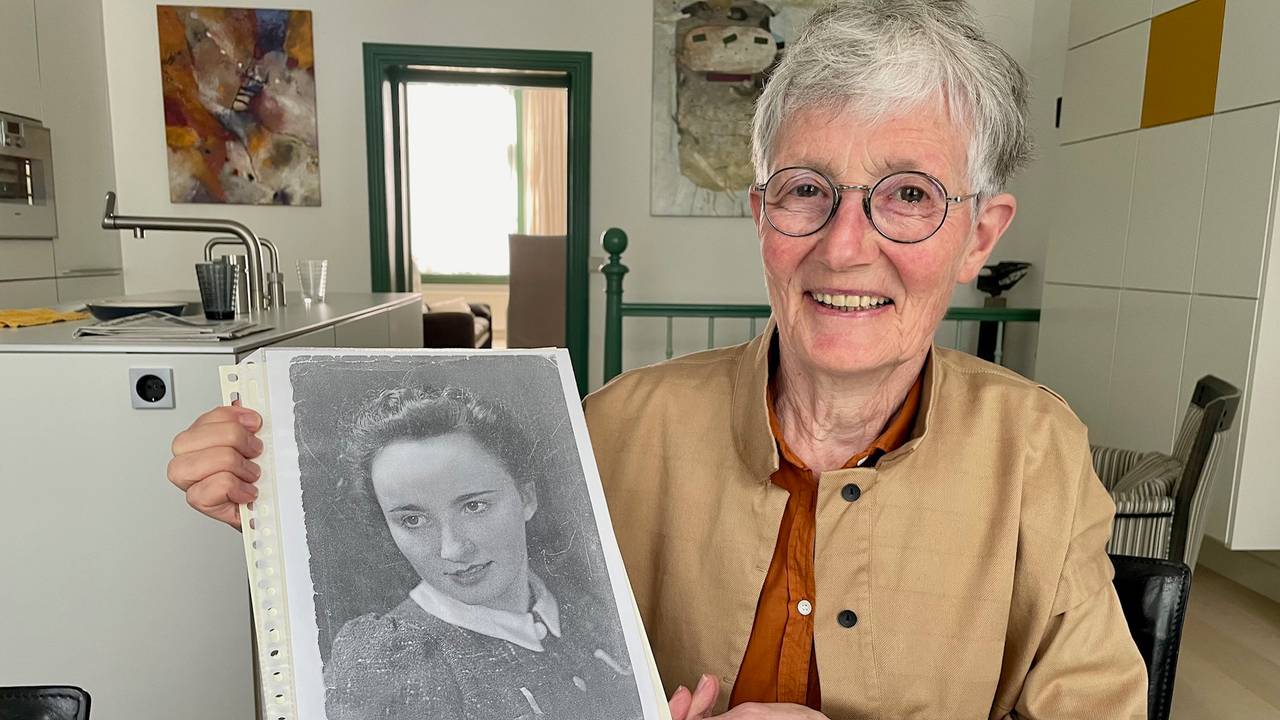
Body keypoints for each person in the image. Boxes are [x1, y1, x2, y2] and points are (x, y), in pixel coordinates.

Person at [168, 1, 1149, 718]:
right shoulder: (610, 428)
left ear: (979, 236)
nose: (845, 247)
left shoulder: (1033, 449)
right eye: (807, 189)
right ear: (762, 217)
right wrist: (266, 496)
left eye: (906, 195)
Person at [308, 385, 639, 719]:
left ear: (526, 497)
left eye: (474, 506)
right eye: (412, 519)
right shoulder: (392, 663)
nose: (452, 549)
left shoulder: (591, 605)